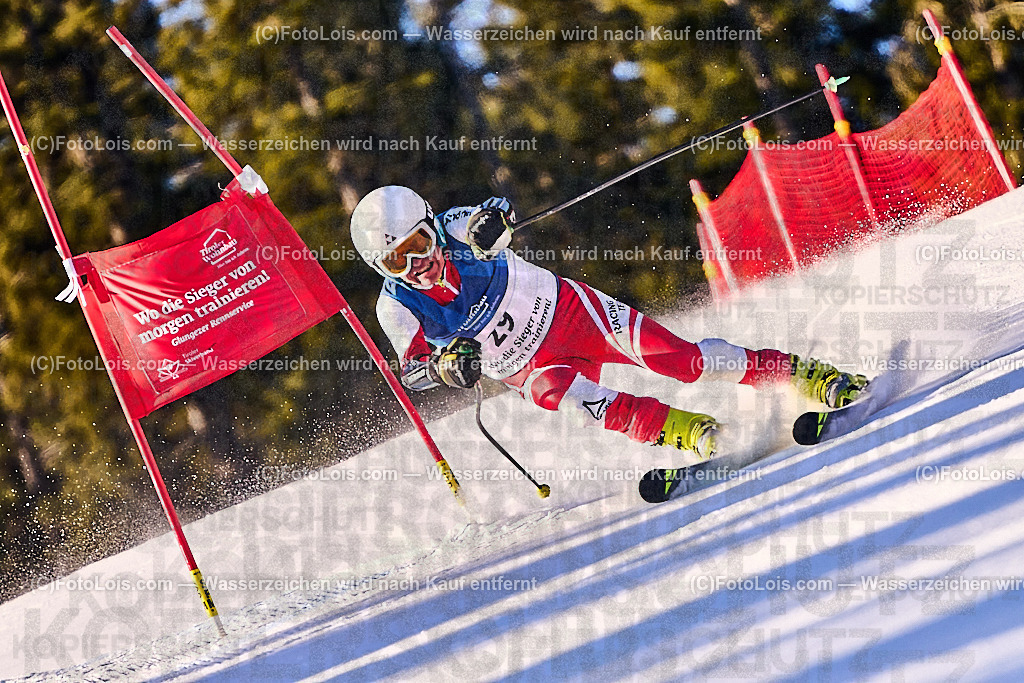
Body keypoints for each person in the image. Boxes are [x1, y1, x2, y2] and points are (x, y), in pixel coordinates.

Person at [349, 186, 867, 460]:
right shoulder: (395, 307)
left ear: (430, 226)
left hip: (574, 316)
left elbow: (491, 215)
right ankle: (698, 434)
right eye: (397, 261)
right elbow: (412, 373)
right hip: (530, 367)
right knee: (582, 403)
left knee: (683, 361)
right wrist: (443, 367)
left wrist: (493, 224)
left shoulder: (454, 227)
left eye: (418, 243)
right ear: (381, 270)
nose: (415, 263)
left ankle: (803, 374)